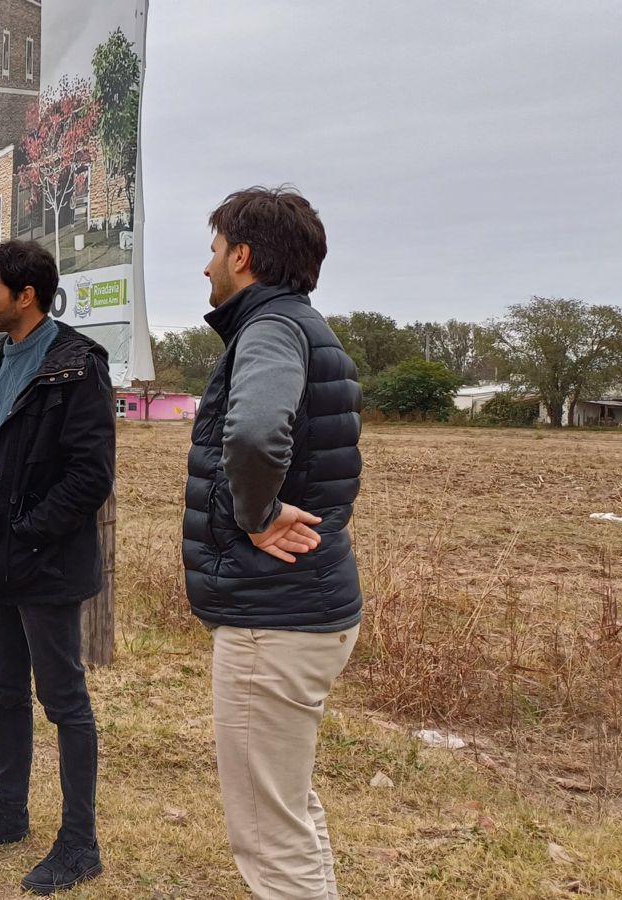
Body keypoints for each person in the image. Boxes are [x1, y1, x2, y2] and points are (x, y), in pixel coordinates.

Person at [183, 186, 363, 899]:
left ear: (243, 257)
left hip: (276, 619)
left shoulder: (270, 331)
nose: (207, 269)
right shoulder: (305, 327)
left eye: (214, 251)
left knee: (267, 832)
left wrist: (254, 517)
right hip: (307, 606)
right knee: (289, 807)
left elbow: (256, 432)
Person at [0, 240, 115, 895]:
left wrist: (29, 533)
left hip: (44, 563)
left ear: (25, 295)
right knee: (3, 689)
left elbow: (90, 475)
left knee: (63, 700)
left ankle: (79, 844)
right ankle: (9, 811)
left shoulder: (77, 365)